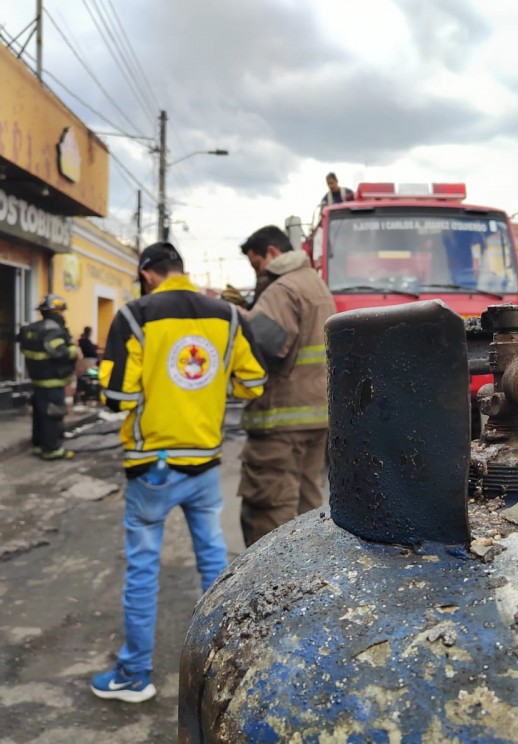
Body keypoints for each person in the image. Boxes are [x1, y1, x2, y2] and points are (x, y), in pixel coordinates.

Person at [91, 241, 266, 704]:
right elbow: (252, 382)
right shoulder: (226, 316)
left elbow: (116, 397)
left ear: (149, 273)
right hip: (205, 462)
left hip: (153, 466)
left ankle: (134, 676)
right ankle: (225, 667)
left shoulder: (135, 316)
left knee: (143, 569)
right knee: (213, 563)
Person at [235, 224, 337, 547]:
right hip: (316, 418)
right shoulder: (316, 285)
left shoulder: (282, 290)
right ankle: (308, 586)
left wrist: (239, 316)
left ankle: (267, 592)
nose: (256, 272)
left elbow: (262, 346)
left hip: (280, 423)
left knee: (269, 513)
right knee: (308, 511)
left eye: (255, 263)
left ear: (272, 253)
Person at [18, 294, 79, 460]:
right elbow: (60, 353)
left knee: (39, 415)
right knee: (53, 416)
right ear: (56, 311)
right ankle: (52, 450)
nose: (63, 315)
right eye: (61, 311)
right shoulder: (53, 330)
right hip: (53, 381)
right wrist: (74, 350)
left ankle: (38, 446)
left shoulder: (31, 328)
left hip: (37, 381)